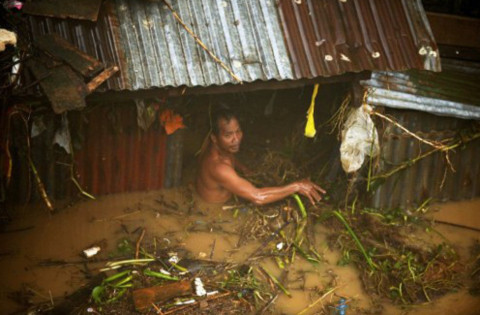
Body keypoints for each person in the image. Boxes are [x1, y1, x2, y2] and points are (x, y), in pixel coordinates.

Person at [196, 107, 326, 206]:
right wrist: (297, 186)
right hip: (217, 210)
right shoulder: (218, 168)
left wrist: (247, 171)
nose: (236, 139)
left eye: (238, 131)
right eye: (228, 135)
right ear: (214, 138)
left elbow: (231, 159)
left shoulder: (219, 147)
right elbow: (258, 197)